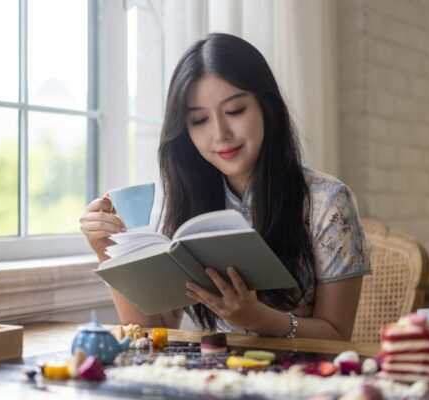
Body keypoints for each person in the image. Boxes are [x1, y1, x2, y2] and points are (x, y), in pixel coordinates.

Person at [79, 33, 370, 340]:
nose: (220, 134)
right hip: (217, 377)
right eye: (199, 120)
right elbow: (154, 333)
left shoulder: (328, 202)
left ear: (266, 107)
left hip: (304, 378)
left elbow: (337, 334)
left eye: (235, 111)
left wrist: (259, 318)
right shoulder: (183, 203)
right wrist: (110, 254)